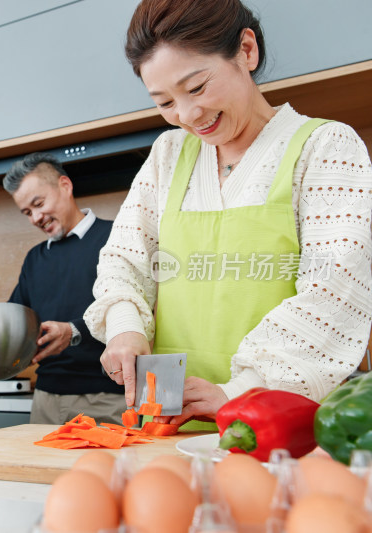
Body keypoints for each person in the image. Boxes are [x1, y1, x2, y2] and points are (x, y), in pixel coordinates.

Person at [83, 0, 372, 429]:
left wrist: (238, 393)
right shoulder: (169, 154)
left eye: (197, 88)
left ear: (247, 51)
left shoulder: (325, 146)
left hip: (274, 426)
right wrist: (125, 326)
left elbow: (334, 290)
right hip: (167, 423)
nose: (186, 116)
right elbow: (124, 260)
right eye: (164, 102)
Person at [4, 152, 125, 425]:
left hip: (106, 397)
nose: (36, 217)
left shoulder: (117, 238)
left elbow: (140, 310)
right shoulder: (35, 258)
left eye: (38, 203)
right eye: (27, 212)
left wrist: (73, 331)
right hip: (45, 398)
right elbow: (14, 320)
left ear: (65, 186)